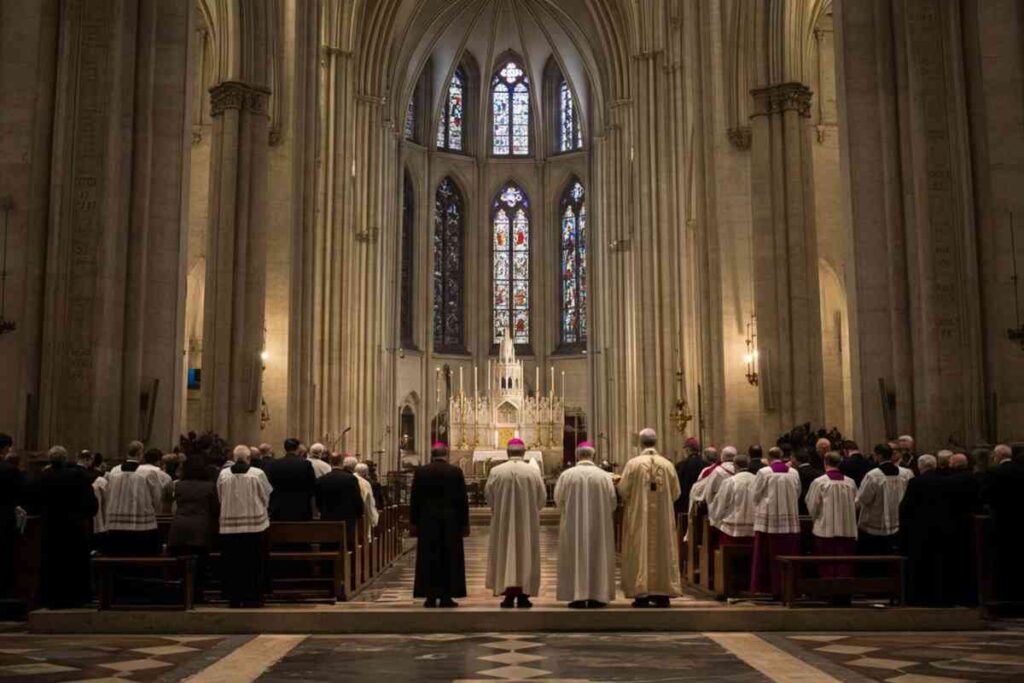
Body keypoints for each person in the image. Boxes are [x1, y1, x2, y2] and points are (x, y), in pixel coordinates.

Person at [618, 428, 682, 608]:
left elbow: (623, 490)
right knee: (663, 548)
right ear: (656, 441)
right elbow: (676, 493)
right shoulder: (667, 464)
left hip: (640, 516)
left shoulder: (633, 464)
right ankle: (663, 593)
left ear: (640, 442)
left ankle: (641, 594)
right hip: (663, 517)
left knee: (641, 549)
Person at [485, 438, 546, 608]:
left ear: (507, 452)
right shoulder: (532, 472)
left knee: (506, 555)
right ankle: (524, 595)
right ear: (524, 452)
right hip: (527, 522)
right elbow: (542, 499)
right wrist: (530, 510)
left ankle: (508, 595)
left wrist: (500, 509)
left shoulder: (496, 471)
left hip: (503, 522)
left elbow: (489, 497)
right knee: (525, 554)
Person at [554, 441, 616, 609]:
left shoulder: (567, 475)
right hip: (599, 527)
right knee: (598, 554)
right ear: (593, 455)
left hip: (573, 526)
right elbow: (612, 502)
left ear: (577, 455)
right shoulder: (604, 476)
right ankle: (598, 594)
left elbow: (558, 501)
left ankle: (577, 595)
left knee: (575, 555)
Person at [37, 446, 98, 608]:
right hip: (74, 525)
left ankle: (51, 597)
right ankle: (77, 597)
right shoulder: (76, 476)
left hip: (50, 525)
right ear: (65, 459)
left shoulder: (44, 476)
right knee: (74, 562)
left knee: (52, 561)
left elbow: (36, 500)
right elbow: (90, 502)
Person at [410, 442, 469, 608]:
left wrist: (413, 522)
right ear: (446, 454)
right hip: (451, 522)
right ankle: (446, 596)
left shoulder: (421, 472)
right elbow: (462, 500)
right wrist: (465, 524)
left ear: (432, 455)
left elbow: (415, 499)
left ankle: (429, 595)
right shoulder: (455, 472)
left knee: (428, 558)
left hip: (427, 521)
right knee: (449, 558)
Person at [217, 445, 272, 607]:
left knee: (232, 562)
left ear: (234, 458)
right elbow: (266, 495)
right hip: (254, 526)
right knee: (253, 563)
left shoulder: (223, 474)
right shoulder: (257, 474)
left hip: (229, 526)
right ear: (249, 458)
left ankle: (234, 597)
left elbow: (220, 496)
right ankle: (253, 598)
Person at [749, 446, 801, 598]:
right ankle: (788, 586)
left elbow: (755, 494)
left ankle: (767, 587)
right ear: (782, 456)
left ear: (769, 458)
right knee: (788, 553)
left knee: (766, 556)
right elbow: (797, 492)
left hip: (768, 522)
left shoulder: (763, 473)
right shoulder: (794, 473)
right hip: (789, 522)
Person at [167, 454, 220, 602]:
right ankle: (197, 595)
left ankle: (181, 594)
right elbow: (215, 509)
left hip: (179, 527)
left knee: (181, 563)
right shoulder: (209, 486)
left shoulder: (179, 485)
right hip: (200, 528)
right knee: (200, 565)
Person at [805, 451, 858, 581]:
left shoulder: (819, 482)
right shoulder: (850, 482)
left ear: (825, 462)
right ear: (839, 463)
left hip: (825, 529)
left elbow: (812, 504)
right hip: (847, 529)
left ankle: (827, 591)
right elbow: (856, 503)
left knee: (826, 563)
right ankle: (843, 592)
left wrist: (817, 519)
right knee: (844, 564)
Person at [981, 444, 1024, 603]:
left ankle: (1005, 599)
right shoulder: (1021, 470)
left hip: (1001, 522)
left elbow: (986, 496)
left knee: (1003, 563)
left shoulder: (994, 472)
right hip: (1020, 523)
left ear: (997, 456)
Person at [104, 444, 163, 556]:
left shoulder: (113, 471)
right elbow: (156, 497)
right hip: (142, 525)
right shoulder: (148, 473)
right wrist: (155, 512)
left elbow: (108, 493)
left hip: (115, 524)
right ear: (140, 454)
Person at [855, 443, 913, 555]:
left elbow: (863, 499)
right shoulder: (906, 473)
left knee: (874, 559)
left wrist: (852, 505)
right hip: (897, 523)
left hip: (873, 525)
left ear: (879, 456)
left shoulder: (873, 475)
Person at [315, 453, 364, 549]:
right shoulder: (350, 479)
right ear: (342, 463)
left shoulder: (322, 480)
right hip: (346, 519)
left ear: (329, 462)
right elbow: (357, 499)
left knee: (328, 546)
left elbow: (318, 501)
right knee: (346, 546)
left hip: (328, 518)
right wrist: (359, 514)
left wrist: (322, 511)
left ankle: (327, 563)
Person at [707, 451, 756, 546]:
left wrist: (714, 520)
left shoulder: (729, 482)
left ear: (735, 466)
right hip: (753, 531)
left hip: (731, 532)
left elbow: (720, 504)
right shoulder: (757, 480)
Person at [264, 437, 316, 521]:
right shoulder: (305, 464)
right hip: (301, 506)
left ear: (285, 448)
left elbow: (269, 485)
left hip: (279, 507)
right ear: (298, 448)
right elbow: (312, 485)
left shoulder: (274, 464)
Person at [0, 435, 23, 598]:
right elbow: (19, 493)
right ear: (5, 448)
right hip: (4, 516)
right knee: (5, 556)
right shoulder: (9, 469)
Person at [675, 437, 706, 513]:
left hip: (685, 501)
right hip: (701, 501)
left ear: (688, 450)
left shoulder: (681, 465)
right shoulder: (706, 464)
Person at [792, 448, 824, 515]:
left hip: (800, 504)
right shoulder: (817, 472)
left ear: (796, 460)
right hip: (815, 503)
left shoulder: (795, 473)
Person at [353, 462, 380, 530]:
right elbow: (369, 502)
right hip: (362, 515)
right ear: (365, 473)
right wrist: (374, 519)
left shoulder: (350, 479)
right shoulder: (366, 483)